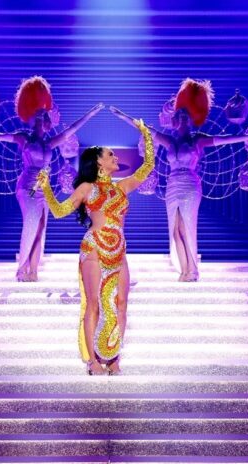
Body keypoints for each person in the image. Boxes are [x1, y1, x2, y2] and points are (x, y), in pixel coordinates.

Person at [37, 119, 154, 375]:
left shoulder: (122, 186)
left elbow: (148, 166)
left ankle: (114, 358)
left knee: (121, 303)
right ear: (99, 162)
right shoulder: (86, 188)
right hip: (94, 249)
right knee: (94, 304)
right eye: (110, 154)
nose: (115, 157)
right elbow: (59, 211)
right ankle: (92, 361)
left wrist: (145, 134)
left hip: (119, 251)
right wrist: (46, 188)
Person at [110, 79, 248, 281]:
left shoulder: (198, 139)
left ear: (191, 119)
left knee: (187, 226)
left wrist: (246, 138)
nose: (182, 120)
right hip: (172, 185)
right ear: (175, 120)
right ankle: (184, 270)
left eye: (185, 117)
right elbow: (144, 129)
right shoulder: (169, 140)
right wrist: (122, 116)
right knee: (175, 229)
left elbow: (223, 140)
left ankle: (192, 271)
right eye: (179, 116)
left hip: (190, 185)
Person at [0, 76, 103, 281]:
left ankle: (33, 271)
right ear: (33, 119)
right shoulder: (24, 138)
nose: (43, 119)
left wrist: (90, 114)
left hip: (43, 189)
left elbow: (71, 130)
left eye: (45, 116)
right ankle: (21, 269)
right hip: (27, 188)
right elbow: (0, 136)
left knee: (41, 228)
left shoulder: (50, 142)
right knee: (31, 224)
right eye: (39, 115)